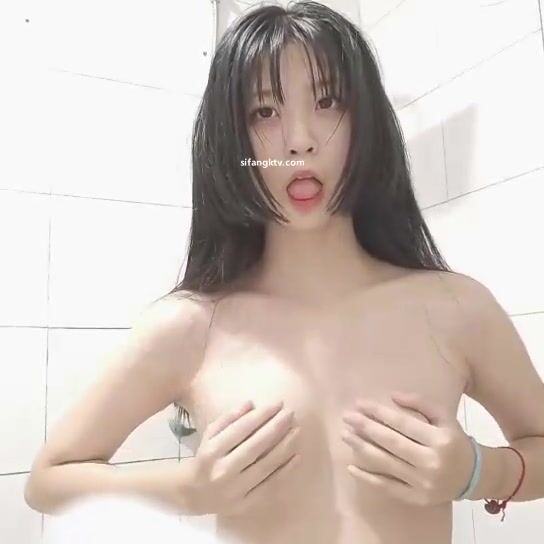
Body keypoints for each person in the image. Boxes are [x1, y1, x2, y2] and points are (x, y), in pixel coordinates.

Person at [25, 1, 544, 543]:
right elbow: (48, 481)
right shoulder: (191, 325)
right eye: (264, 112)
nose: (299, 139)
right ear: (233, 140)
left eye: (327, 101)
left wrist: (482, 471)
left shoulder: (456, 309)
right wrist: (189, 489)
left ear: (366, 122)